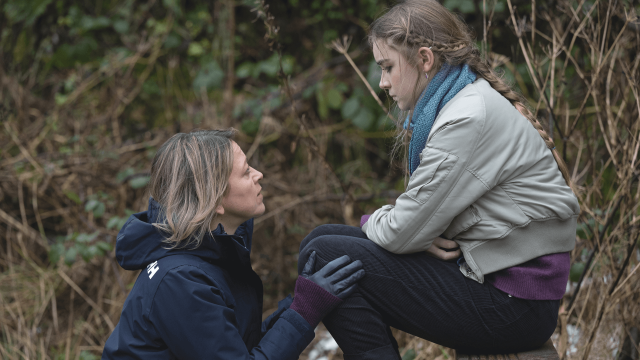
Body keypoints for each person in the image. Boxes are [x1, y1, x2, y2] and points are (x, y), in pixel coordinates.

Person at [298, 0, 580, 357]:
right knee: (322, 239)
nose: (383, 83)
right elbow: (415, 225)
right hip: (504, 283)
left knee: (324, 254)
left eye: (388, 68)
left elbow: (403, 230)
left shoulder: (465, 117)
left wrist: (387, 225)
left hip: (514, 304)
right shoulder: (464, 101)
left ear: (425, 59)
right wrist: (418, 232)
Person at [102, 129, 365, 360]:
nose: (259, 175)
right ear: (214, 199)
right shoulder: (180, 281)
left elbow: (236, 347)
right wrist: (305, 310)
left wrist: (298, 303)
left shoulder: (209, 254)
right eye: (246, 171)